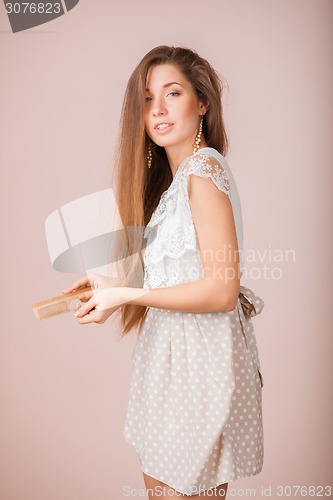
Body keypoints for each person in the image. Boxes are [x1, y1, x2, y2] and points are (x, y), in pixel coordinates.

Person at [62, 45, 265, 498]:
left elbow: (221, 291)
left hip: (198, 366)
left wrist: (127, 298)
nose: (158, 110)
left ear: (203, 101)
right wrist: (111, 285)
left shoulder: (204, 171)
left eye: (172, 93)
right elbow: (179, 273)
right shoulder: (179, 181)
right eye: (148, 99)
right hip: (172, 363)